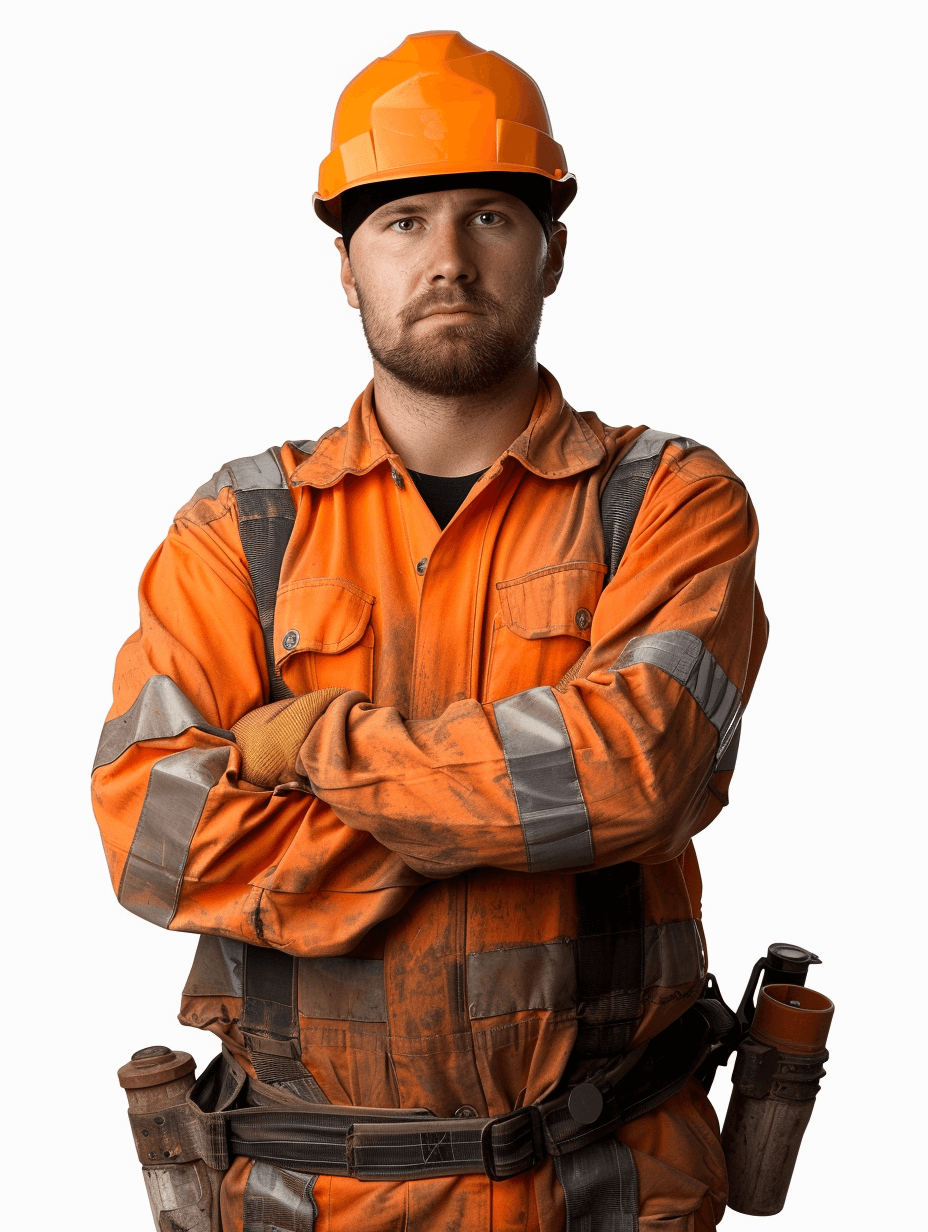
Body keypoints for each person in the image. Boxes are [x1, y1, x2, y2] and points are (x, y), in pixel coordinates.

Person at [92, 30, 766, 1232]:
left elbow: (636, 770)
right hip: (312, 1197)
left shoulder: (667, 499)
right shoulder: (239, 527)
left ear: (552, 253)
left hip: (609, 1183)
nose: (445, 259)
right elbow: (157, 835)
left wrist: (305, 744)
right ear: (346, 266)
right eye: (402, 221)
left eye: (490, 218)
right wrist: (509, 821)